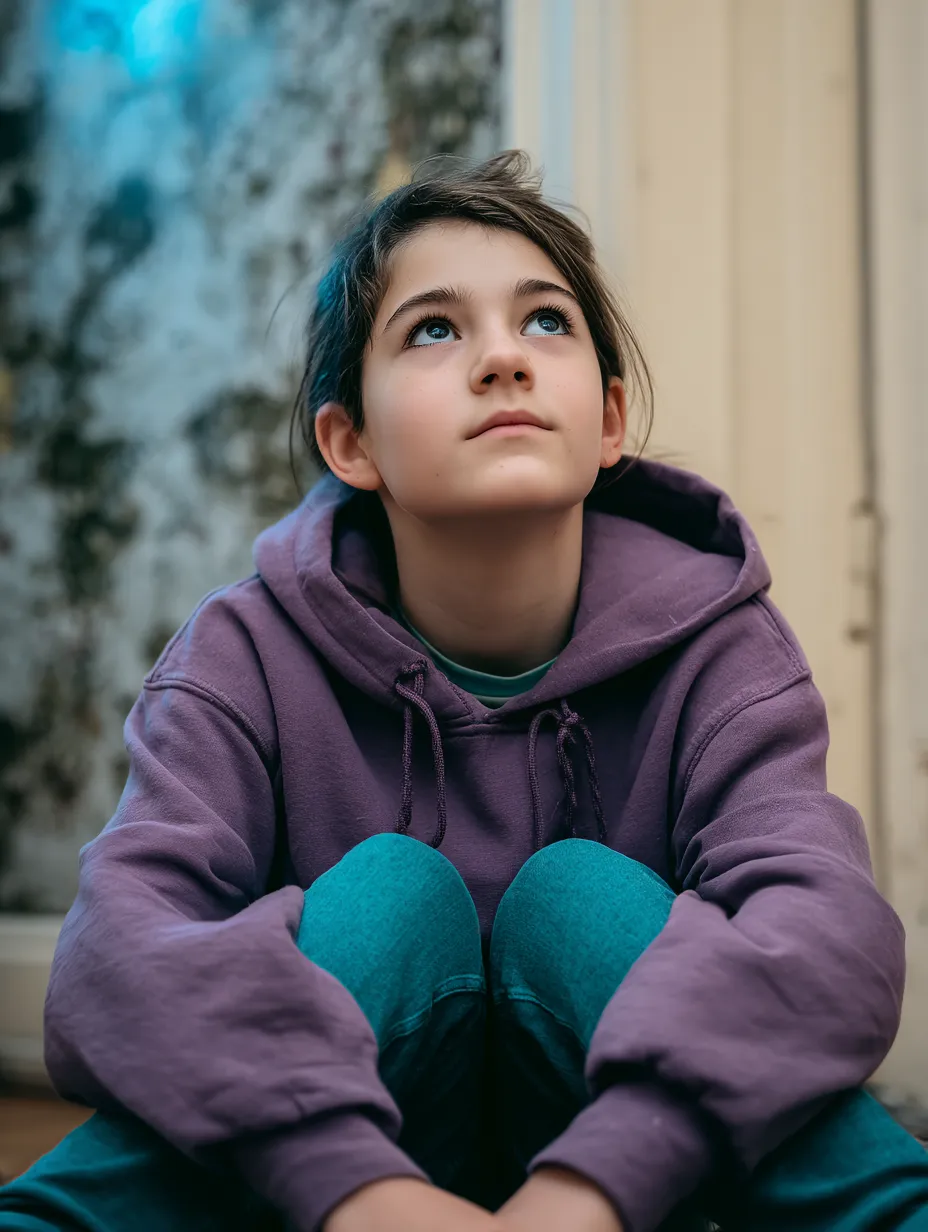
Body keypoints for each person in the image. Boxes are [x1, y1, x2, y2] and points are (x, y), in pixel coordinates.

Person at [2, 151, 927, 1232]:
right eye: (433, 329)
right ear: (349, 441)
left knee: (578, 894)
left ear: (611, 417)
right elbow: (118, 956)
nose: (501, 358)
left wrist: (600, 1180)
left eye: (546, 322)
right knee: (393, 891)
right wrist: (355, 1182)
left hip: (637, 1176)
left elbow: (824, 935)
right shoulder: (240, 654)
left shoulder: (721, 647)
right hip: (324, 1173)